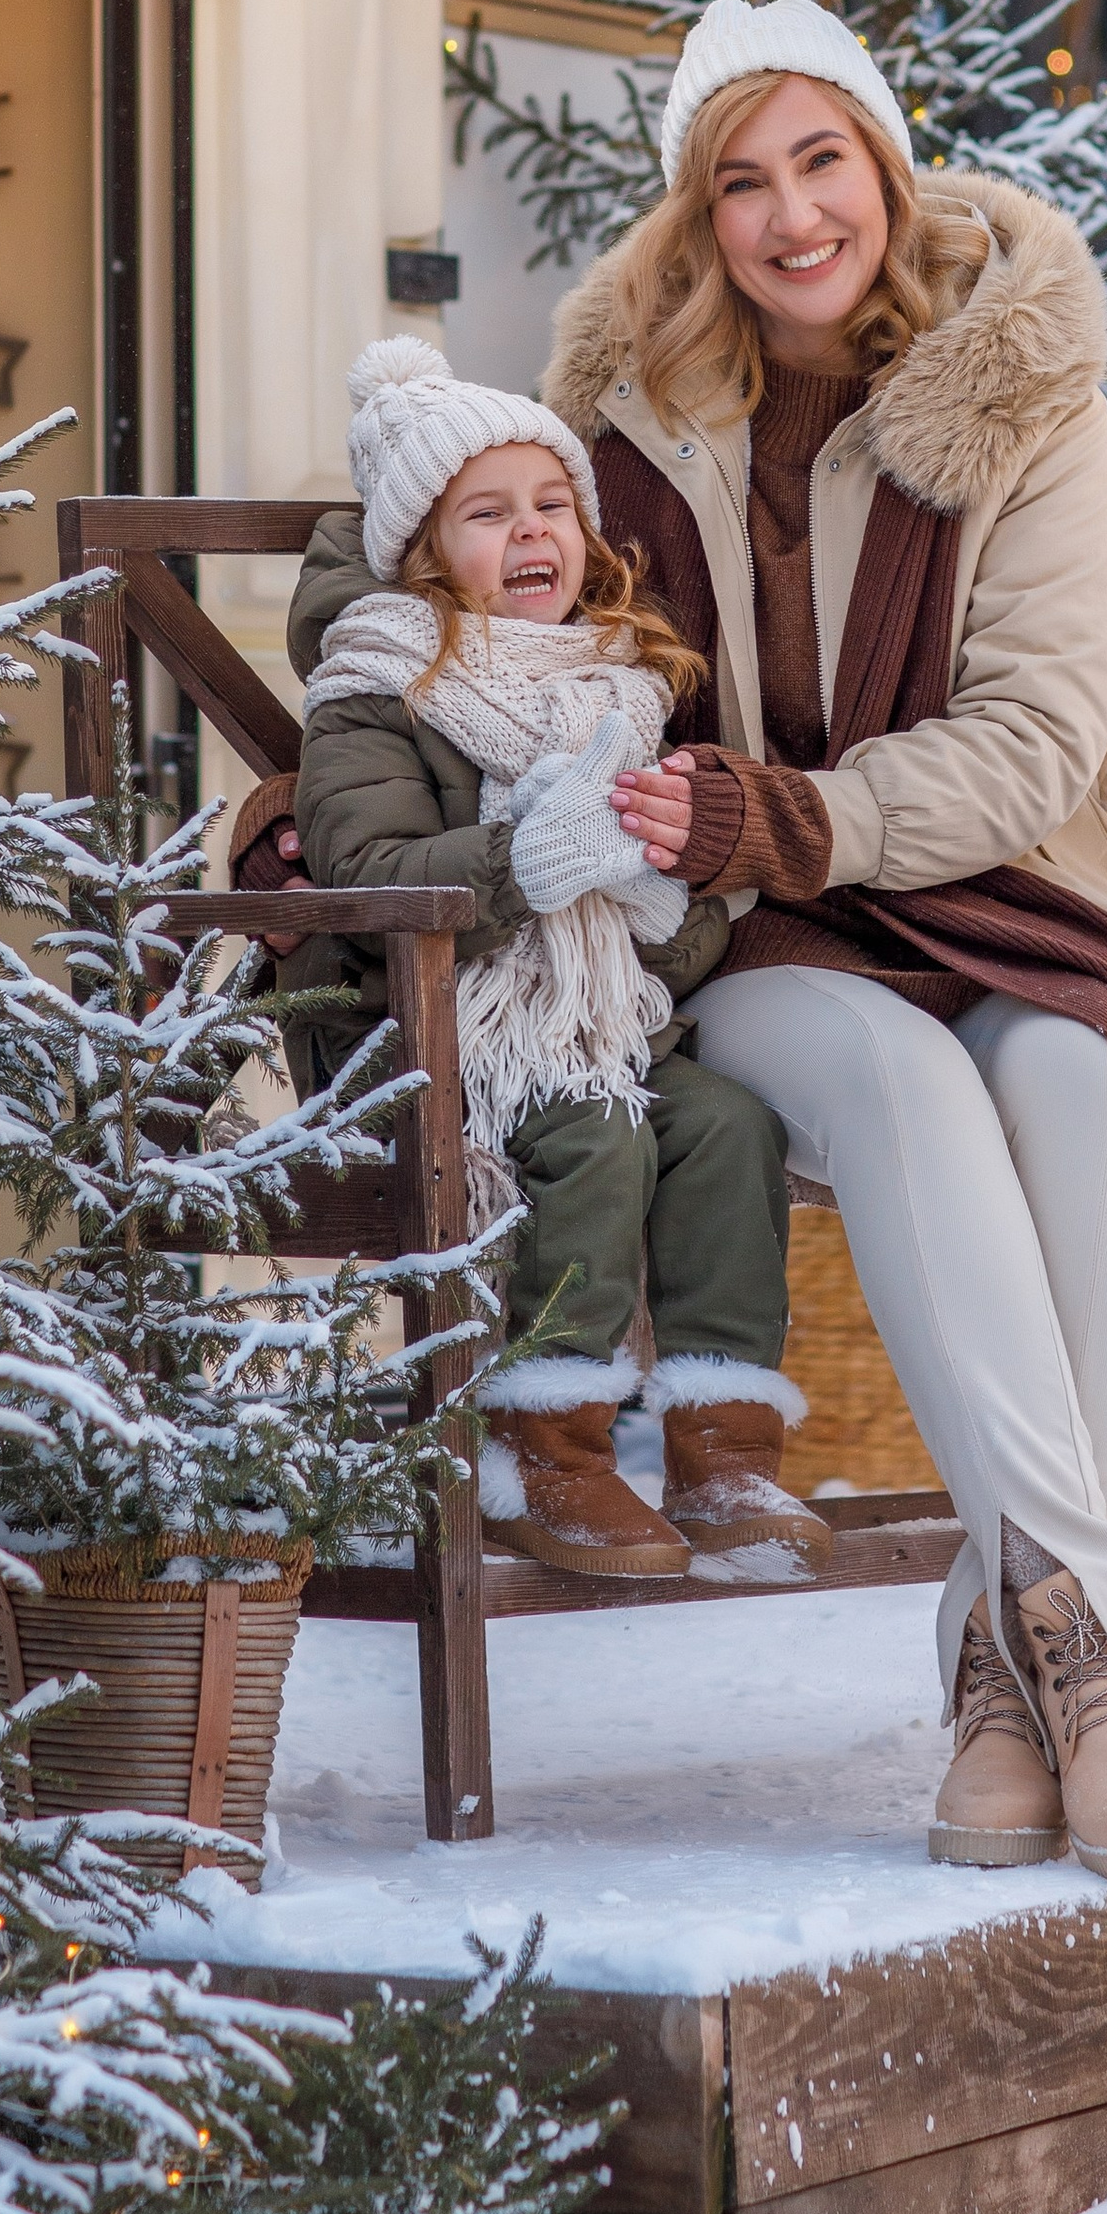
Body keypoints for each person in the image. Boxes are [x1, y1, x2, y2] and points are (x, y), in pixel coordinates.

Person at [545, 0, 1107, 1883]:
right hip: (763, 937)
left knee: (1091, 1078)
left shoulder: (1021, 381)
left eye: (821, 160)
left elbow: (1036, 737)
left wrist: (813, 807)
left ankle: (1006, 1689)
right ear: (698, 216)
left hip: (1020, 889)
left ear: (884, 155)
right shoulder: (621, 419)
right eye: (742, 182)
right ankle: (1098, 1659)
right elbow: (556, 680)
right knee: (911, 1083)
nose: (792, 217)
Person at [267, 336, 831, 1586]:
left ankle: (724, 1447)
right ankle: (544, 1451)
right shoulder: (378, 686)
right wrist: (530, 854)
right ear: (424, 552)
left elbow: (675, 955)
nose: (533, 530)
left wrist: (657, 891)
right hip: (412, 1032)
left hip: (599, 1026)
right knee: (590, 1131)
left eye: (552, 503)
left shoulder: (614, 687)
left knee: (726, 1125)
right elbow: (369, 877)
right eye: (487, 512)